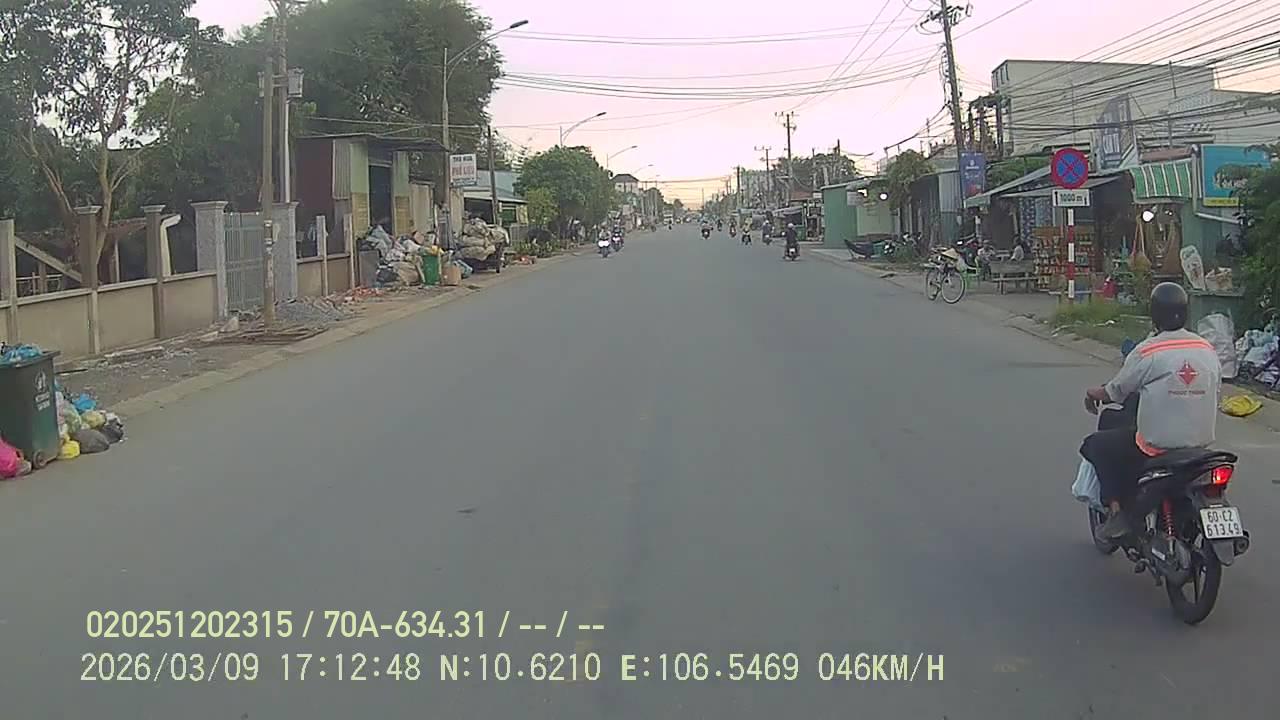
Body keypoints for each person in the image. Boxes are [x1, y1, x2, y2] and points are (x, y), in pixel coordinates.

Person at [1080, 282, 1221, 542]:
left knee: (1097, 445)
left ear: (1154, 314)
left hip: (1157, 448)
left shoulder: (1148, 350)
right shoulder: (1207, 349)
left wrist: (1093, 393)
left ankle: (1117, 513)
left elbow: (1115, 391)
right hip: (1200, 445)